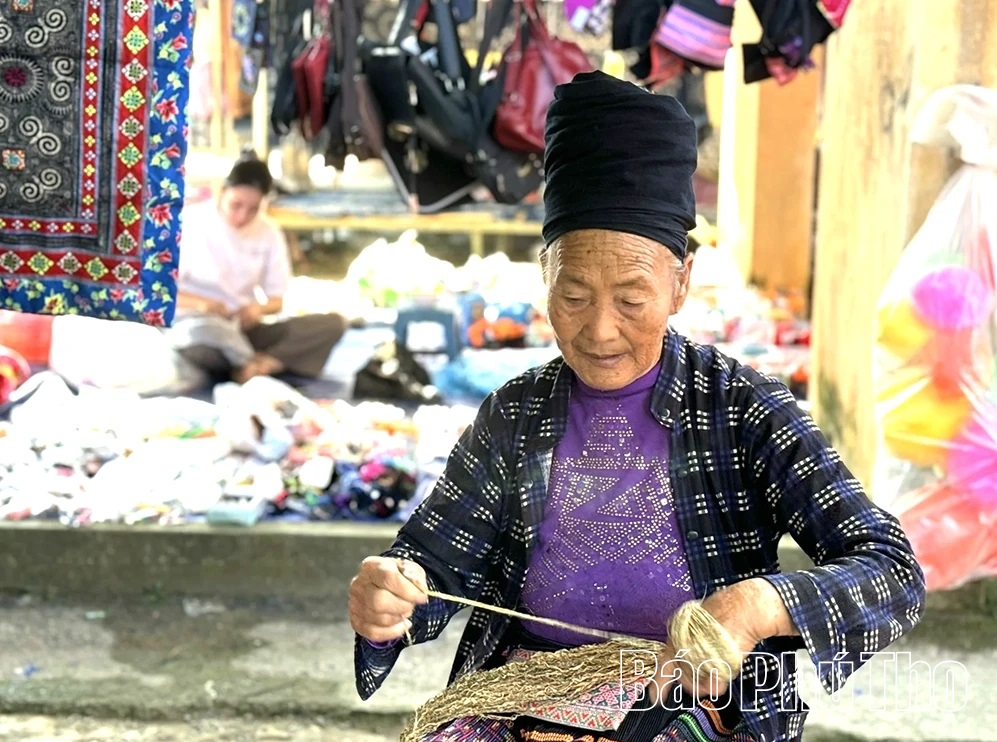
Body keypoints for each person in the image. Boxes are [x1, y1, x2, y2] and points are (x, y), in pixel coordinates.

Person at [348, 71, 926, 742]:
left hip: (692, 698)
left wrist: (760, 604)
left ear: (681, 281)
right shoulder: (515, 413)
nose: (598, 329)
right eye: (572, 296)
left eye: (630, 298)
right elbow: (435, 559)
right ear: (543, 276)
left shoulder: (742, 408)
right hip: (528, 688)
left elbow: (890, 566)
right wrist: (391, 594)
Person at [168, 152, 346, 384]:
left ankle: (262, 364)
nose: (242, 216)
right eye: (236, 205)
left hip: (242, 328)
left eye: (253, 209)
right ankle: (251, 364)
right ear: (222, 191)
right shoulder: (189, 222)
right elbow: (158, 292)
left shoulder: (269, 232)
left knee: (332, 325)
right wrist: (202, 304)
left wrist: (257, 310)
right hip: (195, 325)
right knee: (202, 340)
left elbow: (276, 299)